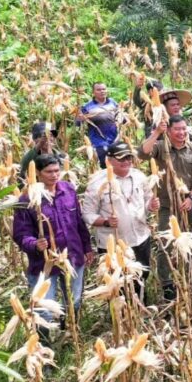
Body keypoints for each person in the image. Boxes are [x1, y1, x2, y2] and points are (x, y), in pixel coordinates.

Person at [13, 154, 94, 338]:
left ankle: (70, 335)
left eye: (57, 170)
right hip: (44, 263)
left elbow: (79, 223)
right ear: (38, 174)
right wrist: (35, 244)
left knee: (74, 300)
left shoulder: (68, 190)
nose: (54, 175)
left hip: (72, 255)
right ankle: (44, 346)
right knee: (43, 308)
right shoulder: (26, 200)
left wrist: (87, 247)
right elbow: (20, 234)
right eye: (49, 172)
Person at [138, 114, 192, 300]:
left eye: (184, 129)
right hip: (167, 205)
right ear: (169, 131)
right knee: (165, 244)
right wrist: (156, 133)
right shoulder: (161, 148)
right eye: (177, 129)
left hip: (190, 203)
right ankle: (167, 284)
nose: (181, 132)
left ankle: (191, 276)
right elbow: (142, 153)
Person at [82, 142, 159, 300]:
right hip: (113, 243)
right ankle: (122, 317)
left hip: (139, 236)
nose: (126, 161)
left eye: (129, 157)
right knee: (119, 281)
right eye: (121, 158)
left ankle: (140, 310)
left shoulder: (139, 176)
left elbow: (146, 199)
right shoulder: (97, 183)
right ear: (109, 160)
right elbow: (87, 214)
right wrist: (105, 222)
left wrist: (151, 205)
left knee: (141, 274)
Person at [77, 82, 121, 167]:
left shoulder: (113, 102)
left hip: (115, 139)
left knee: (116, 163)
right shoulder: (87, 106)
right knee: (105, 164)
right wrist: (80, 118)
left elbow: (121, 117)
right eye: (99, 89)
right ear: (93, 92)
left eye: (104, 89)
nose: (102, 91)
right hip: (98, 141)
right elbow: (78, 123)